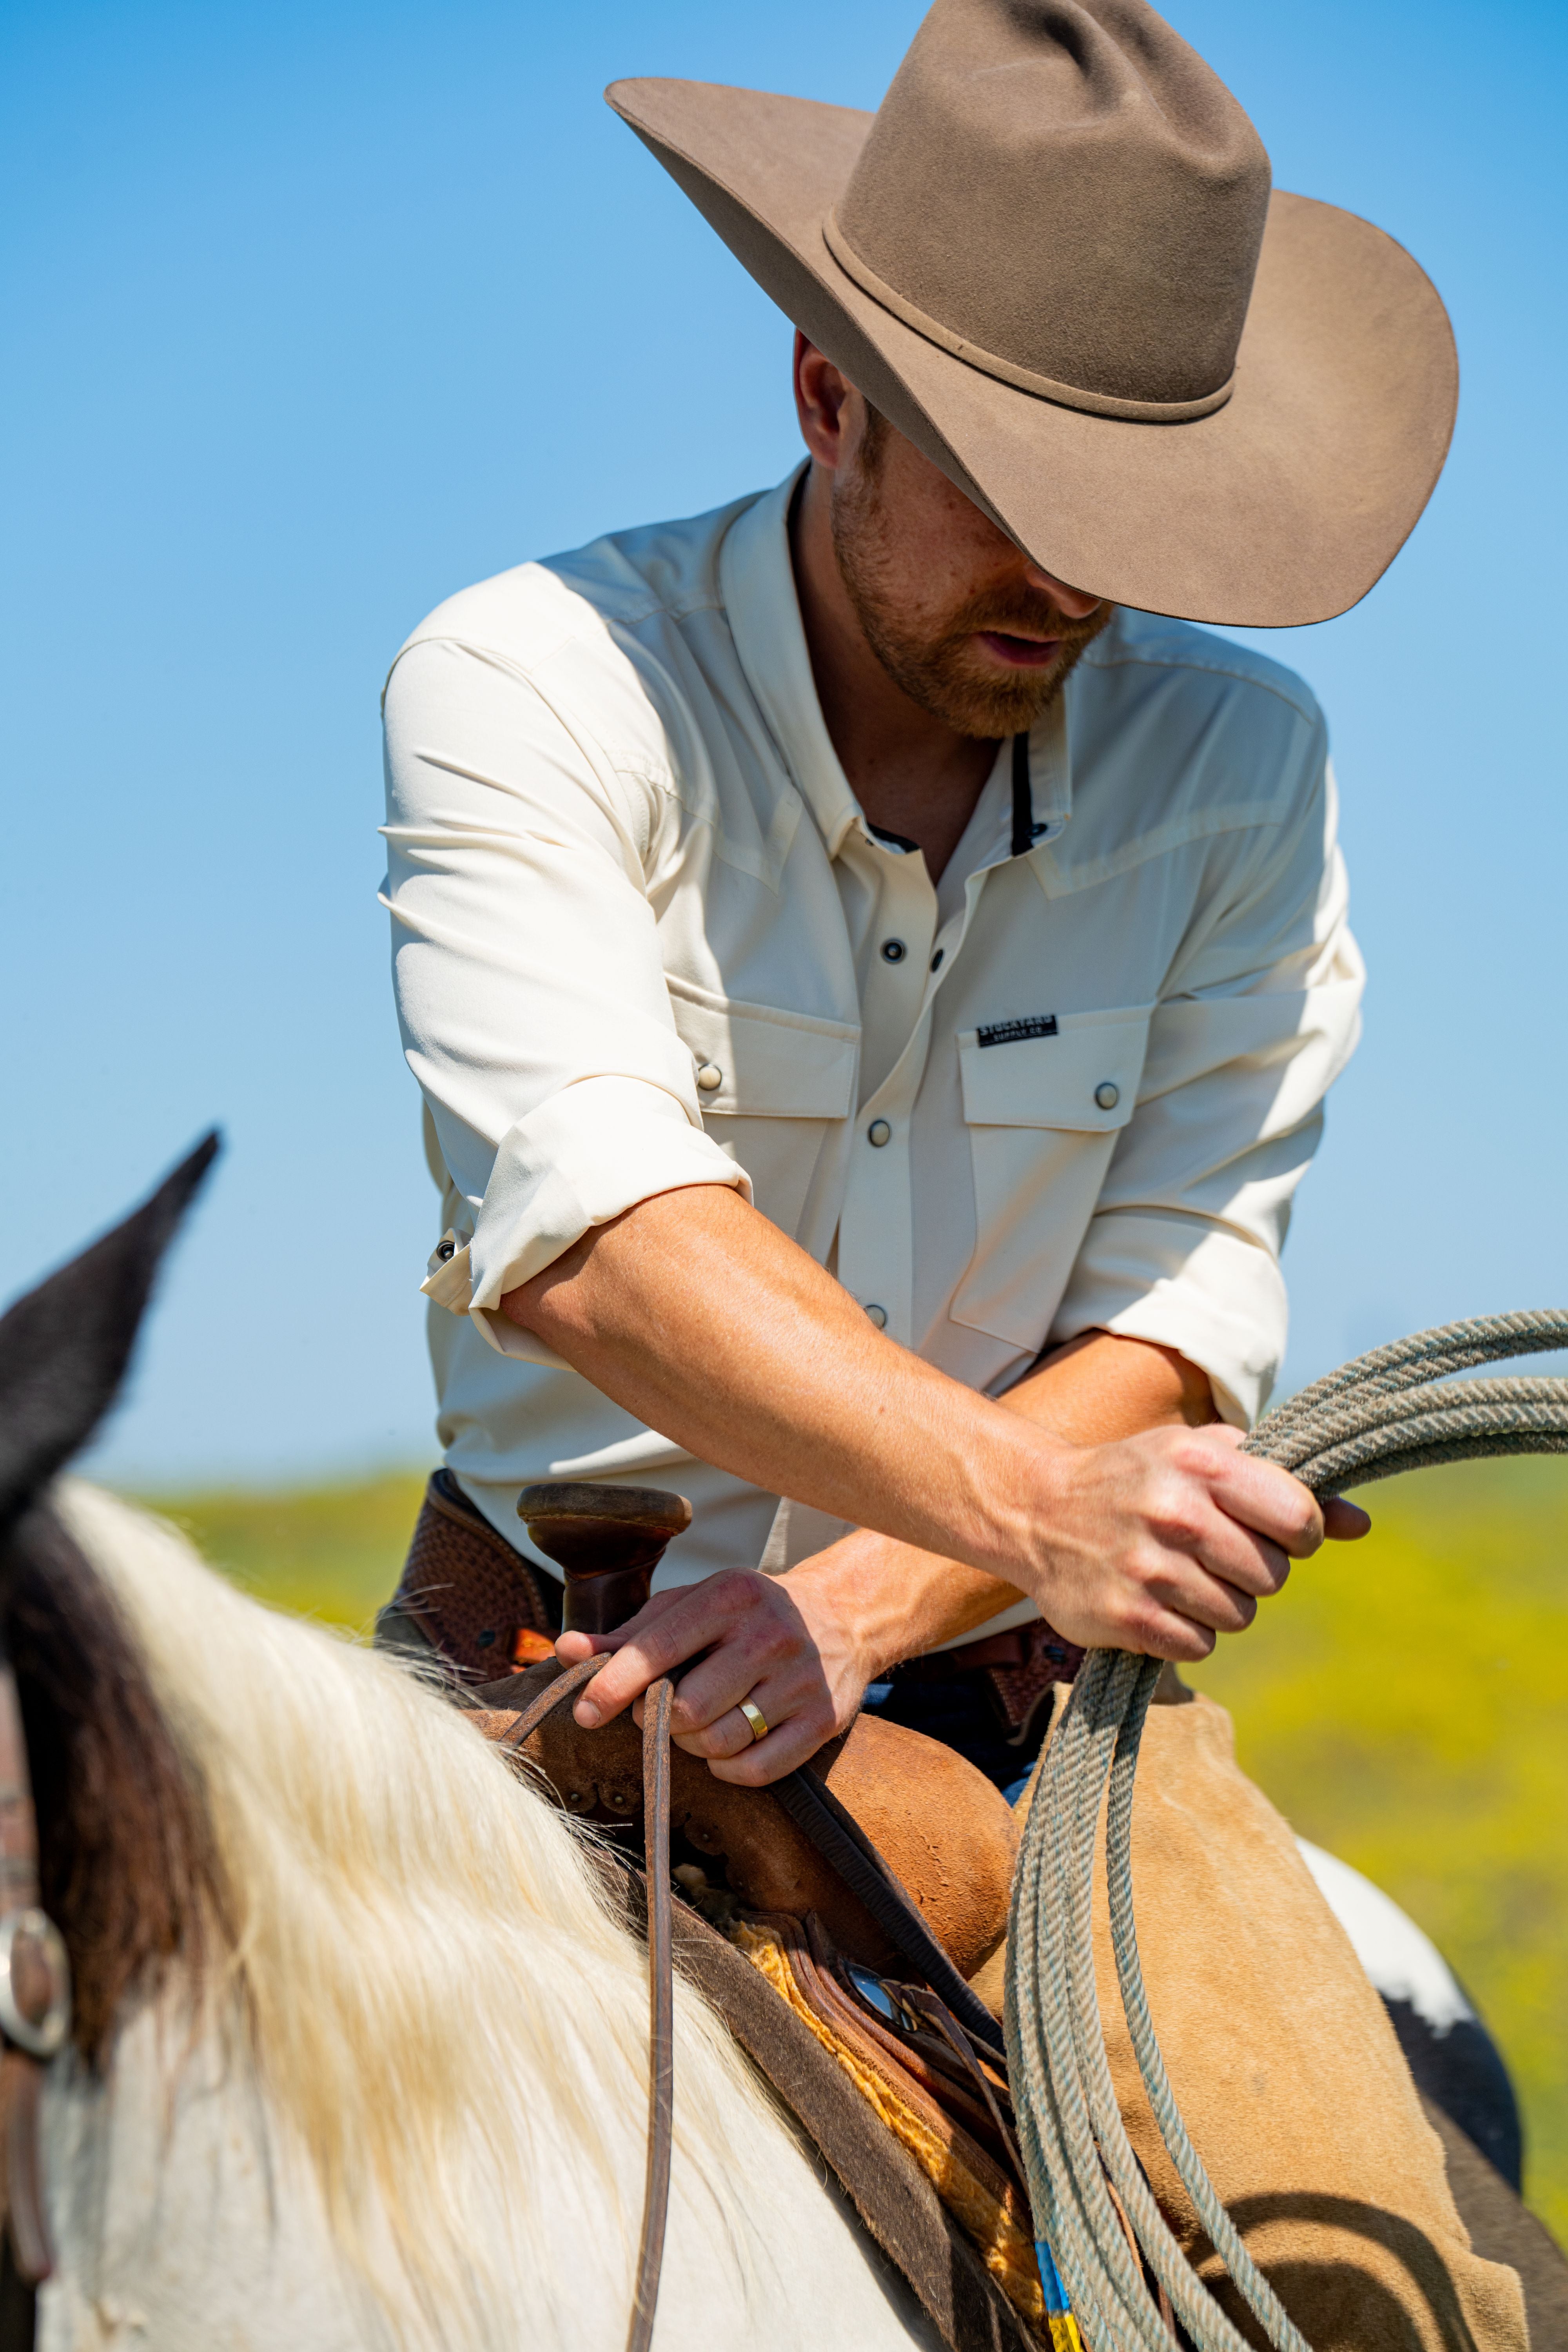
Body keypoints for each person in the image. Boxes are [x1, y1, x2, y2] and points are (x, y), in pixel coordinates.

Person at [377, 0, 1455, 1798]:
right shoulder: (530, 681)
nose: (1072, 576)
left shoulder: (1239, 767)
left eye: (1130, 506)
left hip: (1007, 1721)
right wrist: (1034, 1501)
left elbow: (1178, 1319)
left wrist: (865, 1608)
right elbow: (591, 1241)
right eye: (1011, 490)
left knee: (1275, 2082)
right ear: (826, 398)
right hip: (539, 1687)